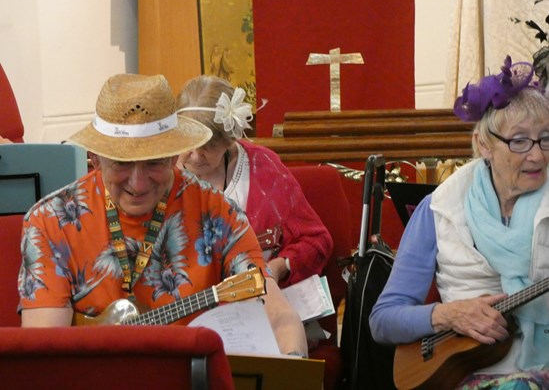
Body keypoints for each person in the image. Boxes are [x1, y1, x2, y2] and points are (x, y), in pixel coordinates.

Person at [18, 73, 308, 357]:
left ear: (174, 155)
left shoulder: (217, 212)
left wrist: (294, 361)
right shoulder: (50, 222)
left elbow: (279, 316)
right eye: (121, 164)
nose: (138, 182)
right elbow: (45, 355)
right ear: (94, 158)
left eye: (154, 163)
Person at [370, 56, 549, 388]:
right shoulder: (440, 208)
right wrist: (448, 315)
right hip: (470, 372)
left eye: (546, 138)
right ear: (484, 144)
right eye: (520, 141)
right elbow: (383, 321)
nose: (537, 155)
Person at [176, 75, 333, 287]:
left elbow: (316, 241)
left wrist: (279, 267)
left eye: (207, 147)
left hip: (257, 305)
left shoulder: (263, 167)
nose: (194, 156)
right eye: (187, 143)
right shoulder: (160, 174)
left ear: (228, 139)